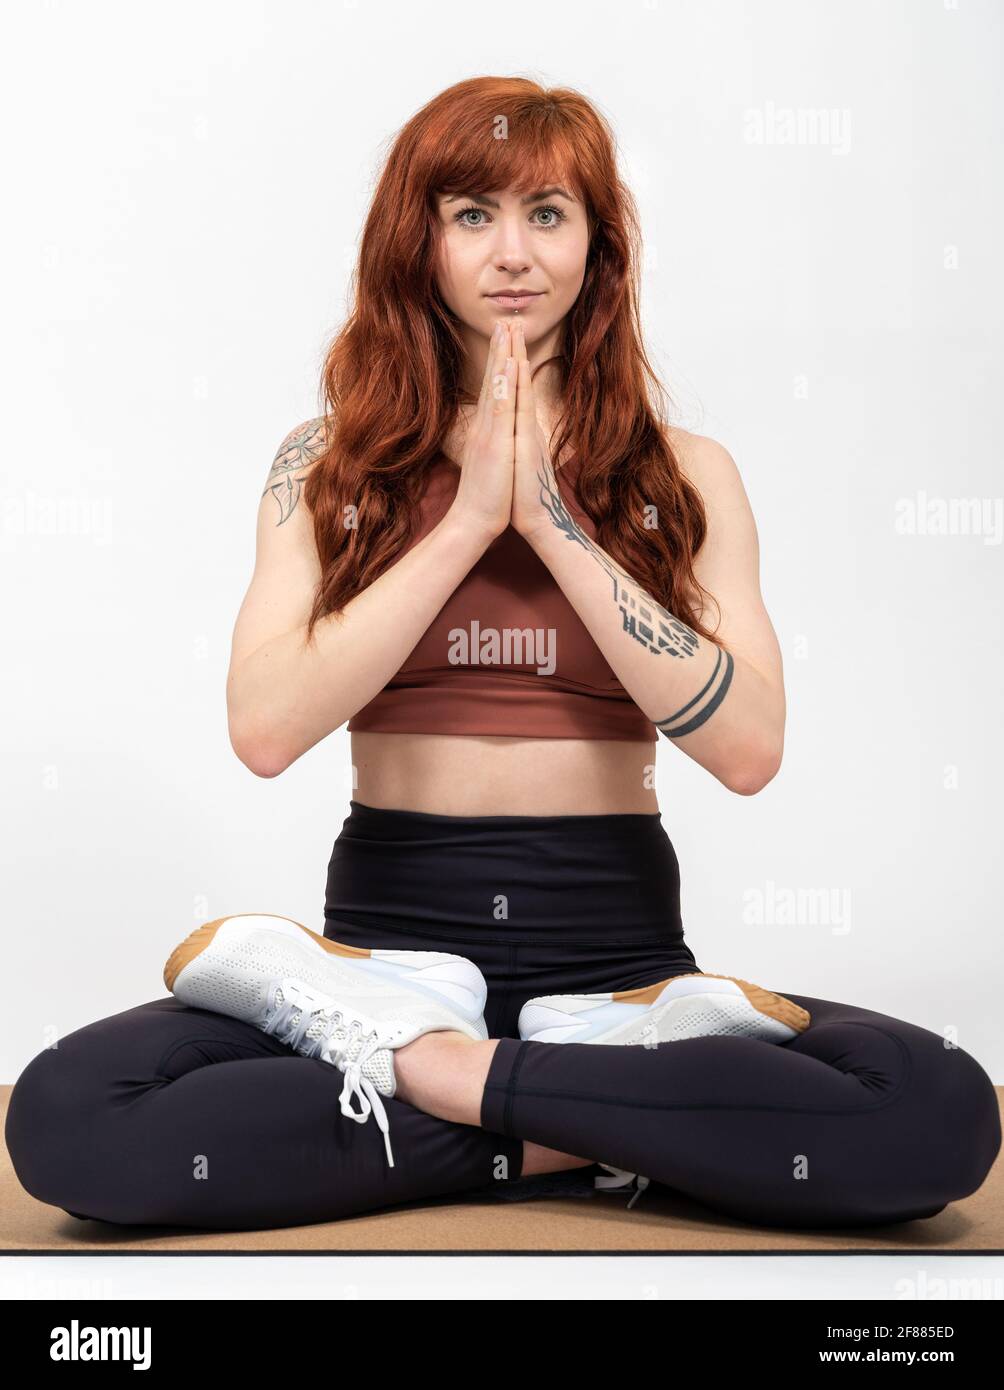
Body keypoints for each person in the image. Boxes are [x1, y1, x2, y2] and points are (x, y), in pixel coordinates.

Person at [6, 77, 999, 1233]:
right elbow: (265, 728)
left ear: (597, 244)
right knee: (74, 1114)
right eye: (471, 214)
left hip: (617, 963)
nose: (510, 251)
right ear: (417, 242)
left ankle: (456, 1081)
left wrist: (553, 522)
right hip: (378, 959)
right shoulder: (324, 466)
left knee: (934, 1109)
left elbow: (747, 749)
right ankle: (597, 1125)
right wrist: (471, 516)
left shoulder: (687, 474)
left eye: (546, 212)